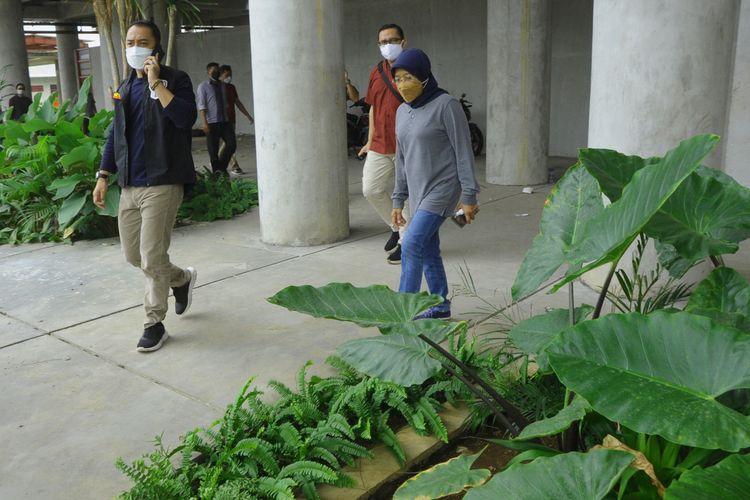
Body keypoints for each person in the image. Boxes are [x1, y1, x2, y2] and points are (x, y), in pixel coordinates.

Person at [92, 19, 198, 352]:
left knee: (152, 256)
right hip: (130, 183)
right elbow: (114, 134)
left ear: (156, 47)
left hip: (164, 180)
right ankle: (180, 279)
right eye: (129, 42)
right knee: (134, 256)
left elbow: (185, 119)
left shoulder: (176, 80)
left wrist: (156, 84)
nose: (134, 48)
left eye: (141, 42)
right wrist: (103, 175)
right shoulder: (124, 88)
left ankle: (154, 323)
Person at [390, 48, 480, 320]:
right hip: (418, 191)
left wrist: (469, 195)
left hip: (443, 189)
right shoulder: (402, 112)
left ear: (424, 76)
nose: (403, 84)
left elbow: (464, 151)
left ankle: (404, 311)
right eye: (398, 79)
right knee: (428, 248)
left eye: (408, 77)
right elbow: (401, 158)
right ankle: (440, 305)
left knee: (412, 245)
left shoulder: (446, 105)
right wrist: (398, 199)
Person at [360, 23, 410, 265]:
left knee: (408, 197)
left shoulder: (414, 68)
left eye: (392, 40)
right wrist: (369, 141)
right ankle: (395, 225)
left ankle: (405, 242)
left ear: (403, 41)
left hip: (407, 145)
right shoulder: (376, 72)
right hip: (380, 144)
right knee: (371, 189)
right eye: (383, 42)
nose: (387, 45)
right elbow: (373, 108)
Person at [197, 62, 235, 174]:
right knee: (213, 151)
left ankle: (221, 168)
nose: (216, 72)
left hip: (225, 121)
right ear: (208, 72)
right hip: (212, 122)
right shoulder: (203, 86)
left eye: (218, 70)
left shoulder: (222, 85)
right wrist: (204, 123)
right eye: (213, 71)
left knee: (232, 144)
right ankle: (217, 173)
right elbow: (202, 105)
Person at [218, 64, 254, 174]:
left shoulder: (231, 88)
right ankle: (234, 165)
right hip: (219, 120)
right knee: (229, 143)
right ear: (221, 74)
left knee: (228, 143)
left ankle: (218, 160)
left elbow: (237, 102)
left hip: (231, 119)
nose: (229, 77)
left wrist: (247, 115)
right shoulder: (215, 87)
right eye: (227, 75)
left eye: (231, 75)